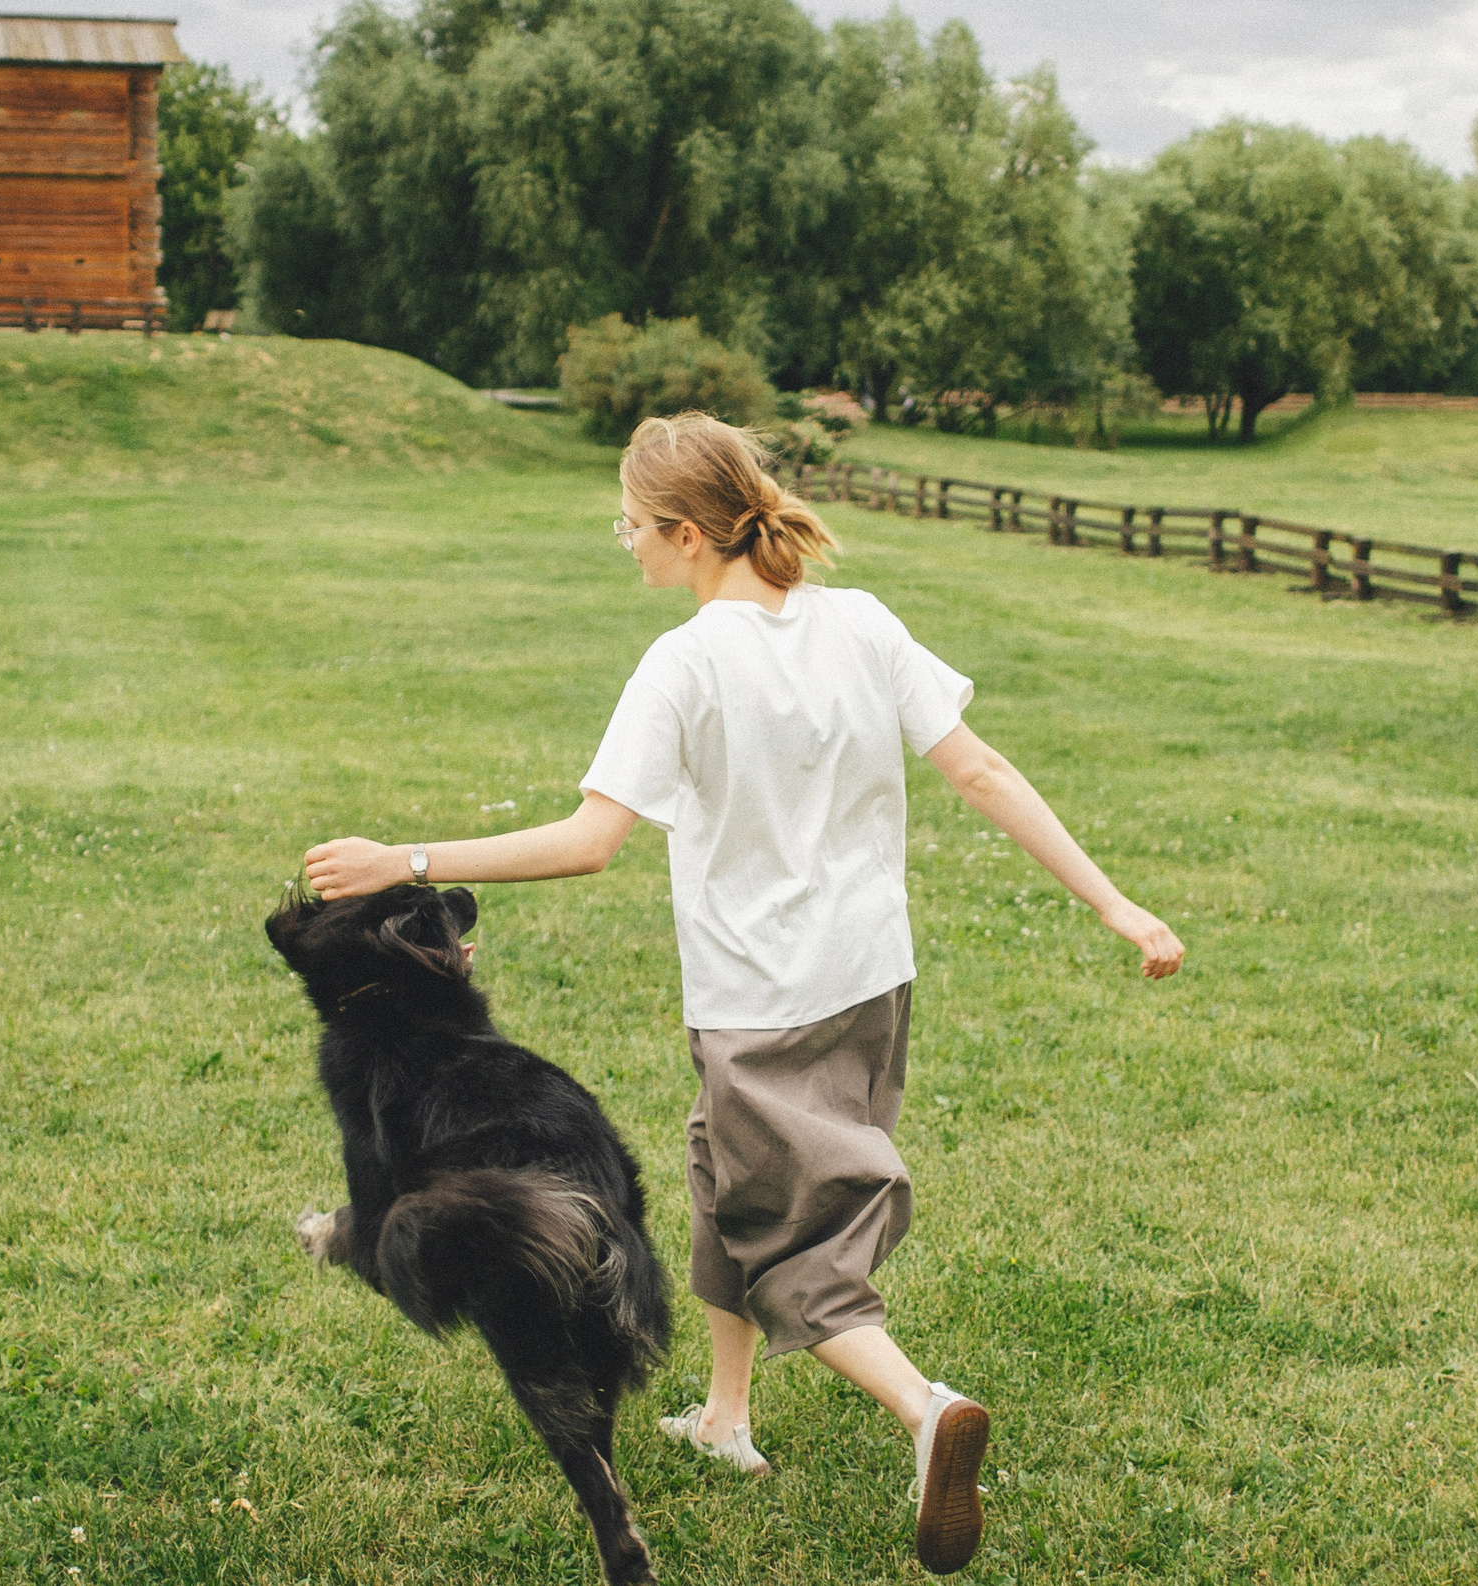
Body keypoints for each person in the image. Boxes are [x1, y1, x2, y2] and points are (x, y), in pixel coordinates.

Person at [302, 412, 1184, 1576]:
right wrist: (1113, 901)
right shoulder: (858, 623)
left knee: (792, 1246)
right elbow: (980, 766)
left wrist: (405, 860)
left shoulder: (688, 661)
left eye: (629, 522)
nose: (623, 542)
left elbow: (589, 839)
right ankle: (725, 1414)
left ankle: (926, 1410)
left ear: (683, 530)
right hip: (869, 981)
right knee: (722, 1169)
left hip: (762, 1000)